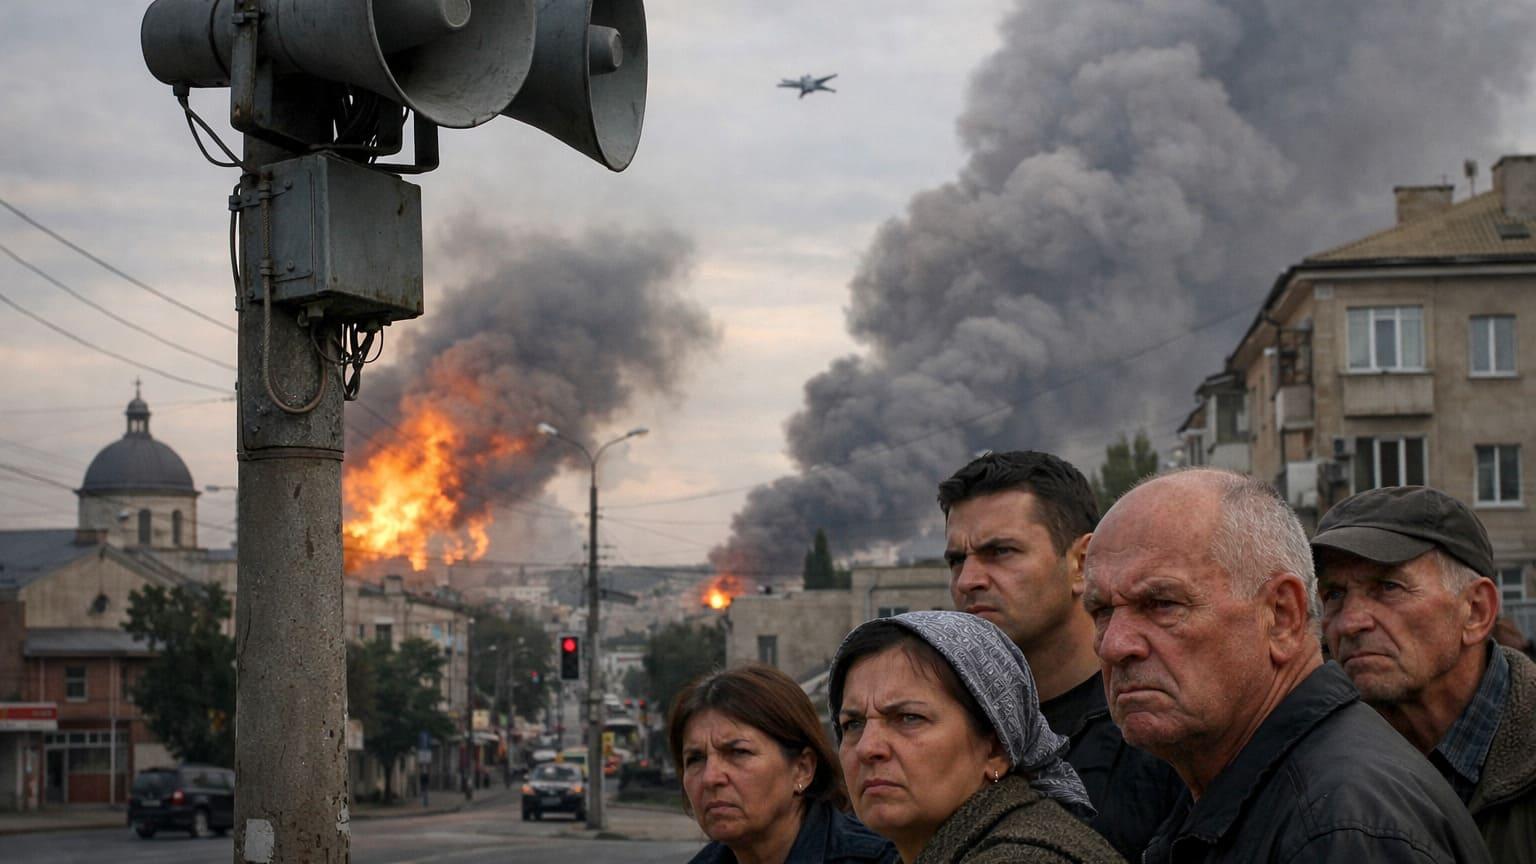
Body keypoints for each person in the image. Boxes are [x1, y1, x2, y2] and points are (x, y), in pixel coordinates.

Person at [1084, 468, 1490, 862]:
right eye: (1101, 611)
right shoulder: (1270, 792)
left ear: (1282, 615)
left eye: (1161, 604)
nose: (1115, 645)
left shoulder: (1341, 827)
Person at [937, 451, 1182, 859]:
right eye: (956, 560)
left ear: (1081, 563)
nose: (968, 580)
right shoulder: (952, 731)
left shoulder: (1156, 727)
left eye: (1000, 552)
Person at [1313, 485, 1536, 861]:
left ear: (1476, 611)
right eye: (1334, 594)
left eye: (1388, 587)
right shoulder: (1307, 761)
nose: (1349, 622)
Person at [829, 610, 1123, 864]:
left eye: (909, 718)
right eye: (853, 724)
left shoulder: (1026, 856)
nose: (868, 747)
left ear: (995, 749)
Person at [669, 663, 898, 864]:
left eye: (738, 752)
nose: (711, 777)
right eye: (695, 759)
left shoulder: (881, 858)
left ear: (802, 769)